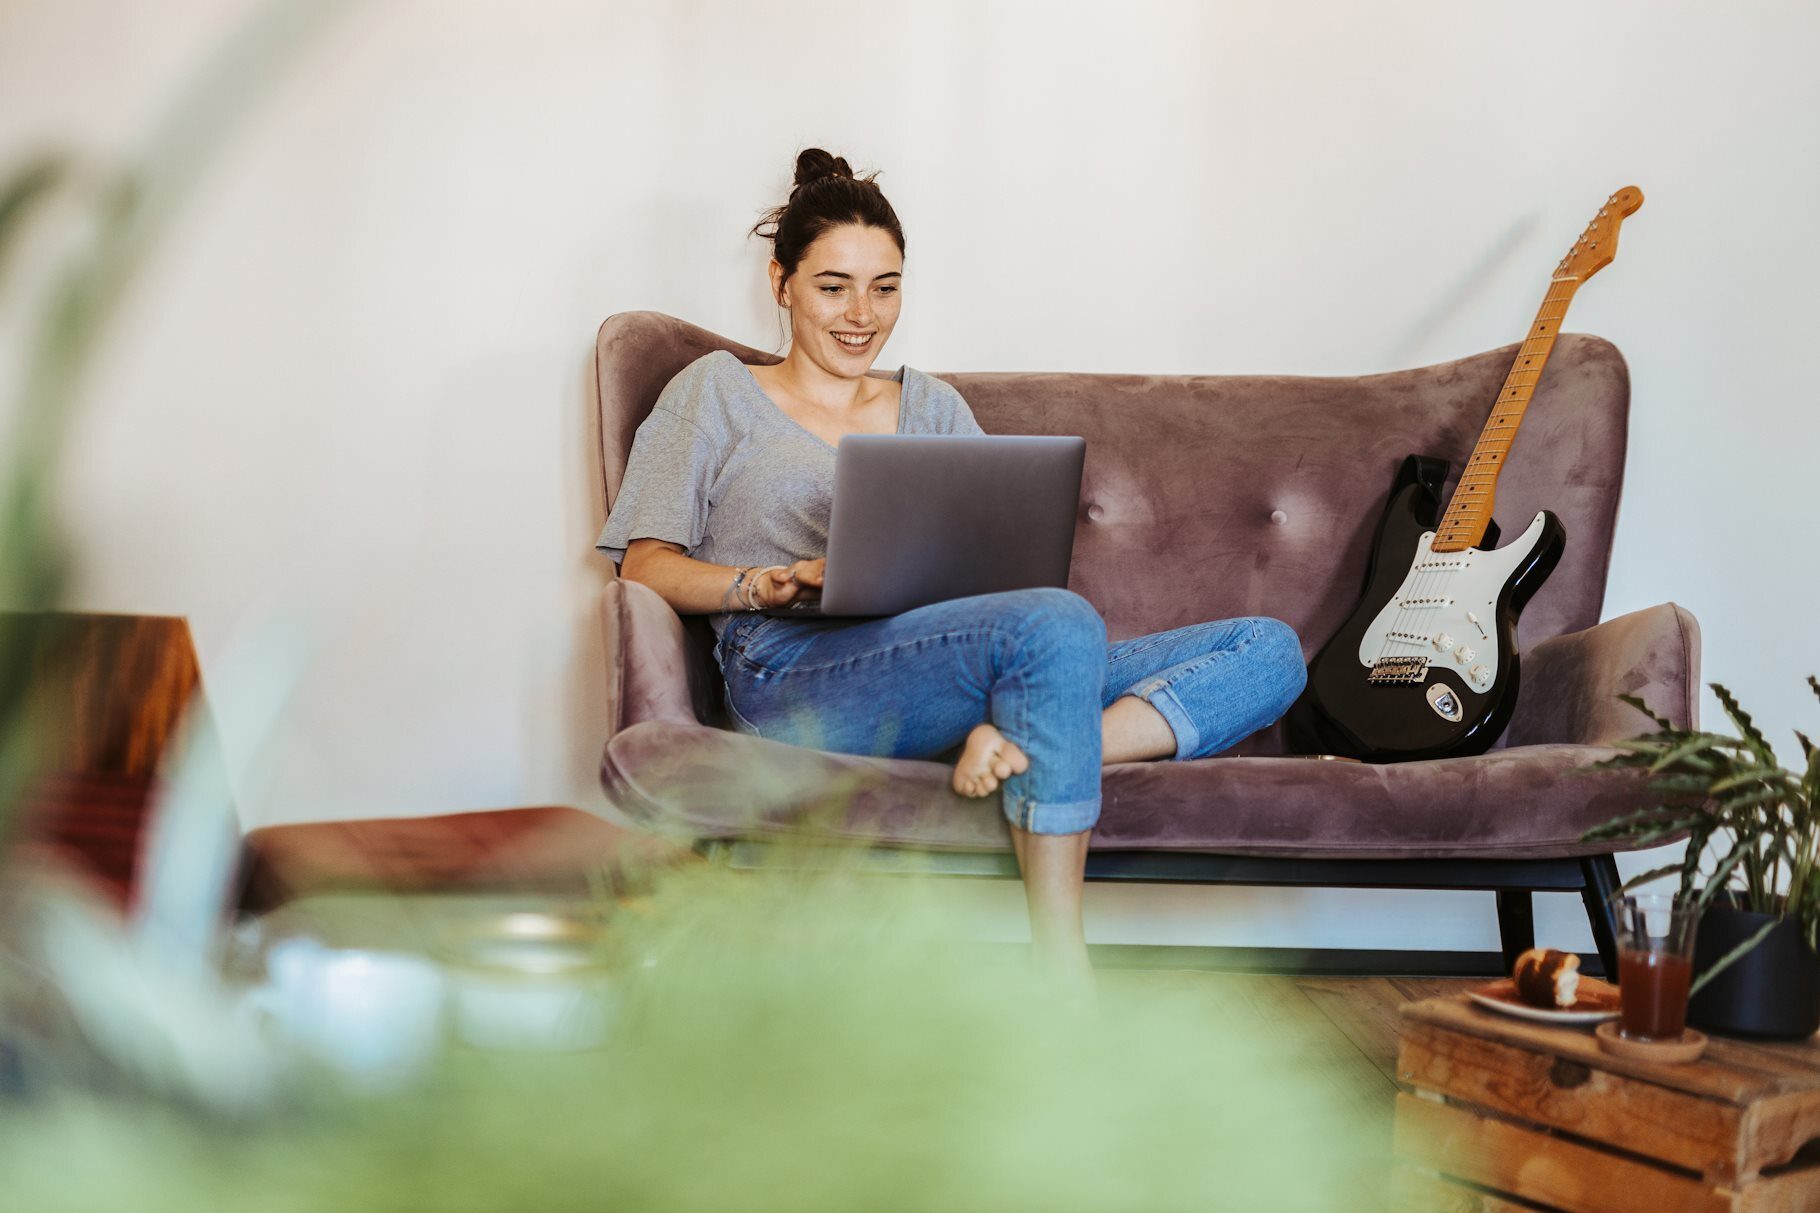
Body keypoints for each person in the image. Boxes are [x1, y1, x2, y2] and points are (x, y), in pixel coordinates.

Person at [598, 148, 1306, 989]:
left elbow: (996, 571)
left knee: (1269, 648)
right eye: (834, 286)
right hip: (791, 670)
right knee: (1059, 621)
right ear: (781, 282)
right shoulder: (712, 391)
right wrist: (762, 582)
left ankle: (1015, 735)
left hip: (951, 659)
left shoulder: (933, 405)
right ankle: (1062, 975)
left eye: (886, 286)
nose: (863, 314)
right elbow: (642, 566)